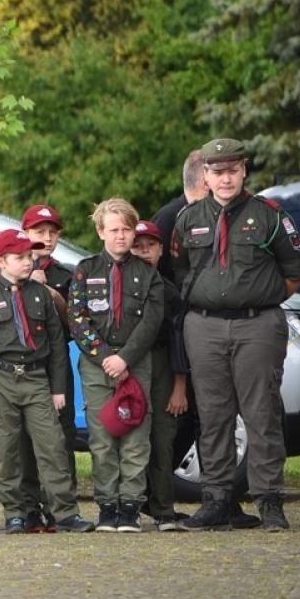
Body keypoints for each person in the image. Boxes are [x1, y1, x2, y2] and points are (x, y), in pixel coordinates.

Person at [171, 137, 300, 532]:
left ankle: (269, 501)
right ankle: (218, 500)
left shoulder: (269, 215)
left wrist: (259, 299)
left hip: (257, 325)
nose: (225, 178)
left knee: (261, 412)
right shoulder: (189, 218)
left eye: (232, 170)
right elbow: (180, 268)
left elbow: (294, 270)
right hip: (205, 327)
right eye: (217, 172)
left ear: (244, 170)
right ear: (207, 176)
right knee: (213, 415)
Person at [0, 228, 94, 534]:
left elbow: (55, 345)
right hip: (1, 379)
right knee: (5, 450)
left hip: (37, 378)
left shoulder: (41, 294)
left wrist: (59, 389)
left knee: (52, 446)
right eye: (20, 257)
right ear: (0, 261)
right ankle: (16, 512)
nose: (28, 262)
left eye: (30, 256)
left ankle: (64, 512)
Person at [67, 200, 164, 534]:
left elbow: (151, 322)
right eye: (114, 230)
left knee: (137, 436)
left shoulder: (148, 274)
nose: (121, 236)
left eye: (126, 229)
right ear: (100, 232)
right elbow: (77, 320)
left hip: (136, 362)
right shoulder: (85, 269)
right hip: (97, 364)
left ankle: (130, 507)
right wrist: (105, 356)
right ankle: (107, 505)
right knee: (103, 435)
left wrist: (125, 359)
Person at [19, 202, 77, 532]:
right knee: (23, 439)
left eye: (52, 232)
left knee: (60, 435)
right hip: (19, 368)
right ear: (25, 234)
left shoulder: (67, 276)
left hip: (54, 365)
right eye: (39, 232)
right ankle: (28, 508)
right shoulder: (7, 272)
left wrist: (48, 291)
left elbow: (75, 323)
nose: (46, 237)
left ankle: (61, 506)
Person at [131, 220, 192, 531]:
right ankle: (129, 505)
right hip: (130, 364)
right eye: (137, 246)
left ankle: (164, 509)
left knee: (163, 435)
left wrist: (179, 384)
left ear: (160, 250)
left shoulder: (169, 290)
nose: (144, 252)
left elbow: (179, 340)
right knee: (131, 435)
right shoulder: (122, 285)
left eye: (150, 246)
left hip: (163, 364)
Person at [153, 150, 208, 289]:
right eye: (218, 174)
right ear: (205, 181)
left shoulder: (214, 214)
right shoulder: (167, 220)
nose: (224, 180)